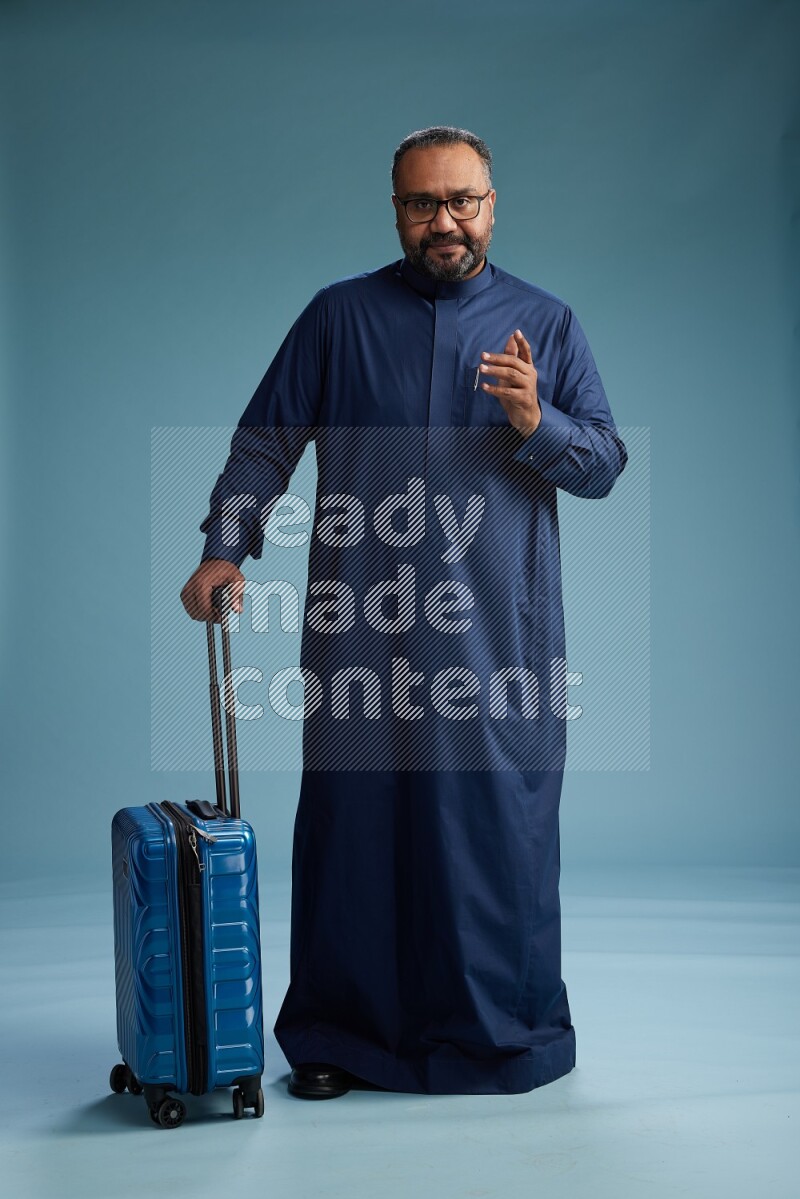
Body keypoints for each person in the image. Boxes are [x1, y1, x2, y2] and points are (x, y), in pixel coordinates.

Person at [180, 126, 628, 1099]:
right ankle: (346, 1036)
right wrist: (223, 548)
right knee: (357, 831)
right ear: (395, 209)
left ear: (492, 204)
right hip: (361, 626)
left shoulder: (543, 324)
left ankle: (502, 1036)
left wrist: (534, 422)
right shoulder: (338, 319)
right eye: (422, 203)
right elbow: (266, 442)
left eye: (461, 200)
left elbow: (602, 460)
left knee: (490, 836)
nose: (443, 221)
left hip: (494, 638)